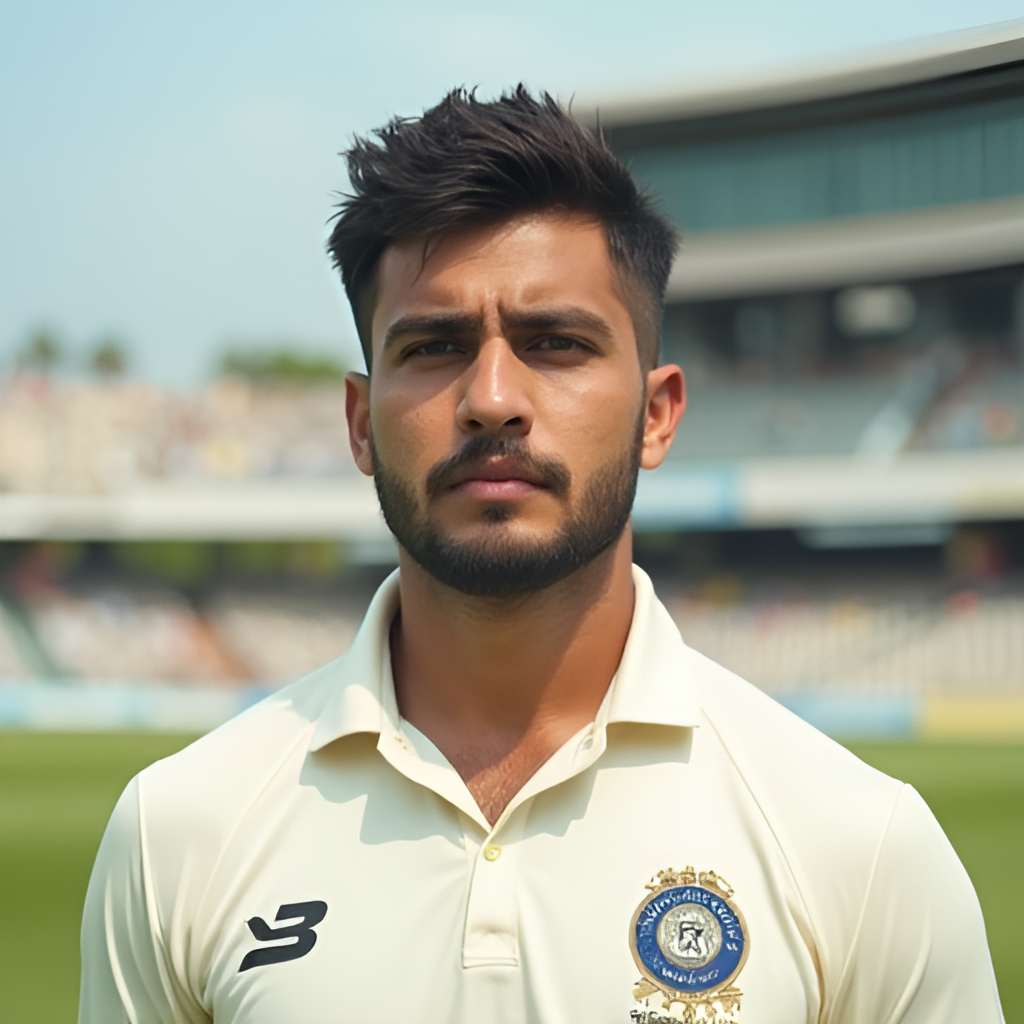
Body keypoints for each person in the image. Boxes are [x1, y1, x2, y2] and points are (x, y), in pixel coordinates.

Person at [79, 88, 1003, 1024]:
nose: (490, 398)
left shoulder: (861, 844)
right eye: (435, 346)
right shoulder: (179, 829)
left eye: (555, 342)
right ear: (360, 424)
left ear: (656, 414)